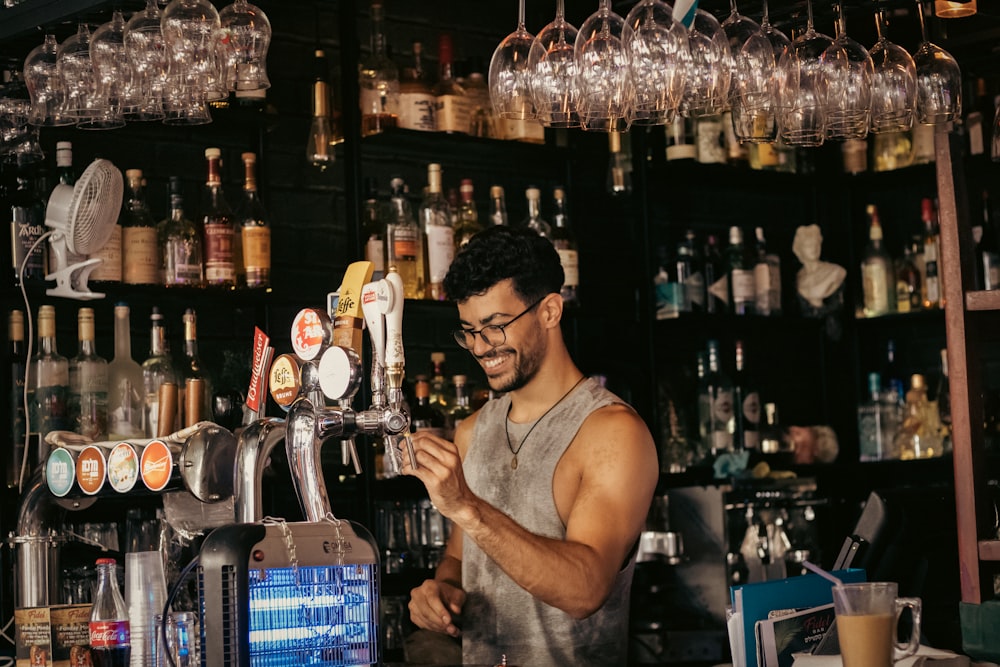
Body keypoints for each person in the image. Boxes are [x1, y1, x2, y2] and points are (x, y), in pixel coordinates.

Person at [402, 225, 658, 667]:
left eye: (495, 327)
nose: (481, 348)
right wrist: (440, 592)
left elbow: (585, 590)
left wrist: (465, 505)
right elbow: (459, 558)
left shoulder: (612, 432)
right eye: (468, 331)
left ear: (550, 312)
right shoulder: (471, 431)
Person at [792, 224, 846, 311]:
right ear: (800, 250)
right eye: (809, 245)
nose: (814, 248)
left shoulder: (834, 271)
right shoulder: (798, 278)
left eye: (816, 244)